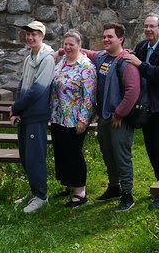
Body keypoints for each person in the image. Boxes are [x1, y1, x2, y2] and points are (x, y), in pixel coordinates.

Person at [122, 14, 159, 209]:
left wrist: (140, 65)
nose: (148, 29)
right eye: (146, 26)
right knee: (151, 147)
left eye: (152, 26)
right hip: (149, 104)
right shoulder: (142, 47)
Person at [81, 22, 140, 212]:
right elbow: (89, 53)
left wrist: (120, 113)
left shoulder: (127, 62)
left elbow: (133, 91)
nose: (106, 39)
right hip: (105, 117)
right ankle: (114, 187)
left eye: (110, 37)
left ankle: (127, 195)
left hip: (118, 119)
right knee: (108, 154)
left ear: (120, 39)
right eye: (104, 36)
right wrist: (69, 47)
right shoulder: (103, 58)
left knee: (121, 156)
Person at [9, 20, 55, 214]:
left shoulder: (47, 59)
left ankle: (42, 197)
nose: (30, 37)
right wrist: (16, 110)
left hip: (36, 115)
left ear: (42, 36)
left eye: (35, 34)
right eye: (28, 34)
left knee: (35, 157)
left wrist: (16, 107)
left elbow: (37, 90)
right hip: (25, 114)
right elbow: (22, 84)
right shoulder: (29, 58)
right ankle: (34, 191)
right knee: (26, 156)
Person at [49, 30, 96, 208]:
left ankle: (80, 192)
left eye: (72, 44)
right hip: (57, 116)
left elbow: (89, 96)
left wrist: (83, 120)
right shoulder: (62, 62)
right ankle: (68, 184)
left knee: (73, 153)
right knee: (61, 152)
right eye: (65, 44)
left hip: (74, 119)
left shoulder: (86, 66)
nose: (68, 47)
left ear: (79, 46)